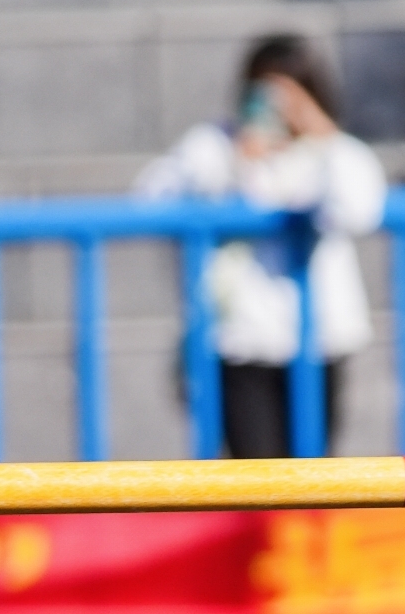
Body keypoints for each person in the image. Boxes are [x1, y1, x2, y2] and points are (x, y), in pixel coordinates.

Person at [135, 33, 386, 458]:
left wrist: (320, 133)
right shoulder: (214, 145)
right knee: (259, 477)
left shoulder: (333, 153)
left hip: (318, 339)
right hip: (240, 340)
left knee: (314, 478)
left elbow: (358, 209)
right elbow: (151, 198)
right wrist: (236, 162)